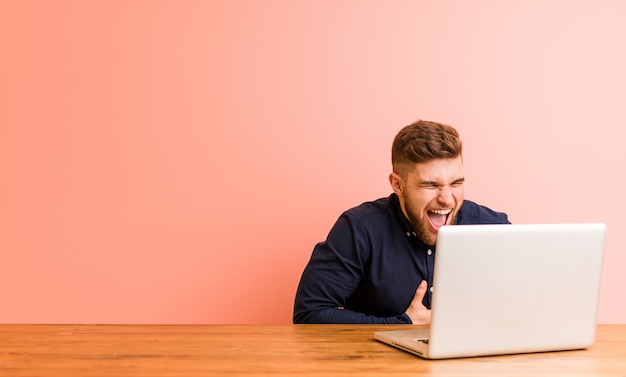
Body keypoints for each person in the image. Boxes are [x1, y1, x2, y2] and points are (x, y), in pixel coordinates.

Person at [293, 120, 510, 324]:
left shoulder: (493, 228)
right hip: (379, 363)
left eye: (456, 183)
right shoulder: (360, 229)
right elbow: (309, 314)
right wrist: (401, 324)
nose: (446, 198)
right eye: (431, 185)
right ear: (398, 184)